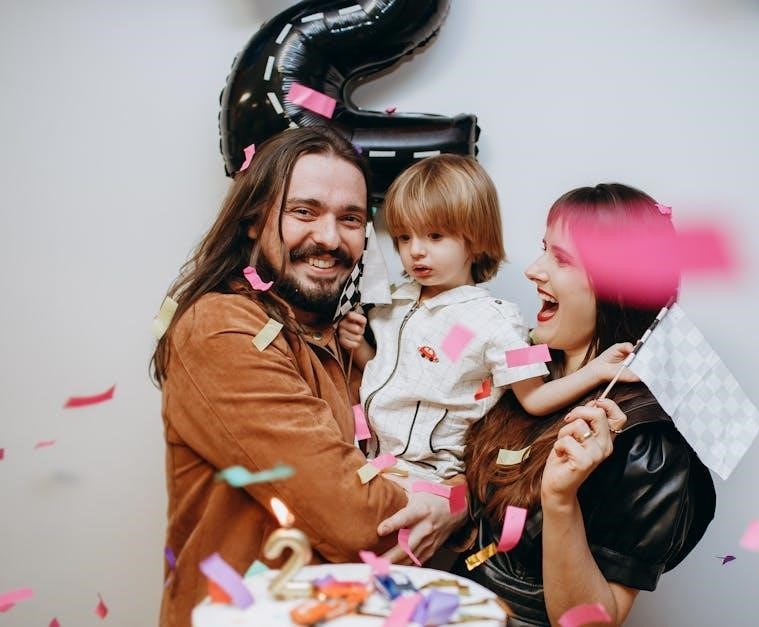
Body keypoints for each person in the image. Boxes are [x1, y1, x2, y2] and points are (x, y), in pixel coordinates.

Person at [151, 125, 460, 626]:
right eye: (304, 211)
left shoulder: (337, 336)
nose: (329, 238)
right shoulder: (222, 327)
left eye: (350, 219)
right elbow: (358, 523)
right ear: (254, 220)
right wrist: (453, 502)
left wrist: (456, 499)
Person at [453, 183, 717, 626]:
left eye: (562, 259)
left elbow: (594, 622)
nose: (532, 271)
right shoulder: (529, 367)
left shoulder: (645, 442)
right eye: (544, 250)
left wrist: (560, 502)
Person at [338, 155, 635, 483]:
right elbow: (390, 371)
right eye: (404, 237)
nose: (416, 250)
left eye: (434, 236)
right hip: (372, 459)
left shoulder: (499, 322)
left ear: (476, 239)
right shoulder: (392, 302)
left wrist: (594, 372)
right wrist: (358, 346)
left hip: (429, 476)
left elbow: (535, 397)